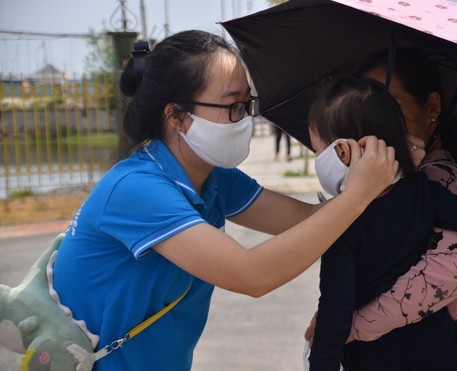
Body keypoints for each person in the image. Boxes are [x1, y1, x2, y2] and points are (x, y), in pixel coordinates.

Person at [51, 30, 398, 371]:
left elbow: (307, 220)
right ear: (177, 117)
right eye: (233, 105)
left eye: (248, 104)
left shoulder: (212, 177)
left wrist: (370, 174)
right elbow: (252, 275)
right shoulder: (136, 189)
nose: (246, 118)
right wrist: (356, 196)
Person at [305, 48, 457, 351]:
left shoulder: (435, 179)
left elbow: (455, 268)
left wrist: (353, 325)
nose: (376, 114)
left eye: (388, 102)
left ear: (432, 106)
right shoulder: (401, 179)